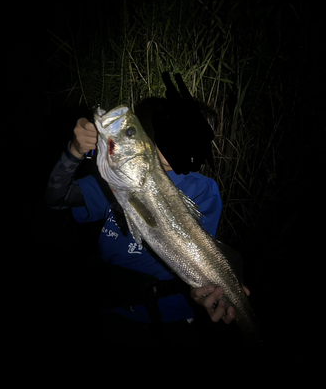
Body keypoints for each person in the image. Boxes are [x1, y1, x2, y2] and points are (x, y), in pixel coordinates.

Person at [45, 91, 249, 349]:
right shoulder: (115, 177)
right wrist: (74, 152)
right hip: (108, 307)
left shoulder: (203, 190)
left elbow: (203, 261)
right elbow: (56, 199)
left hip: (167, 321)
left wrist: (204, 294)